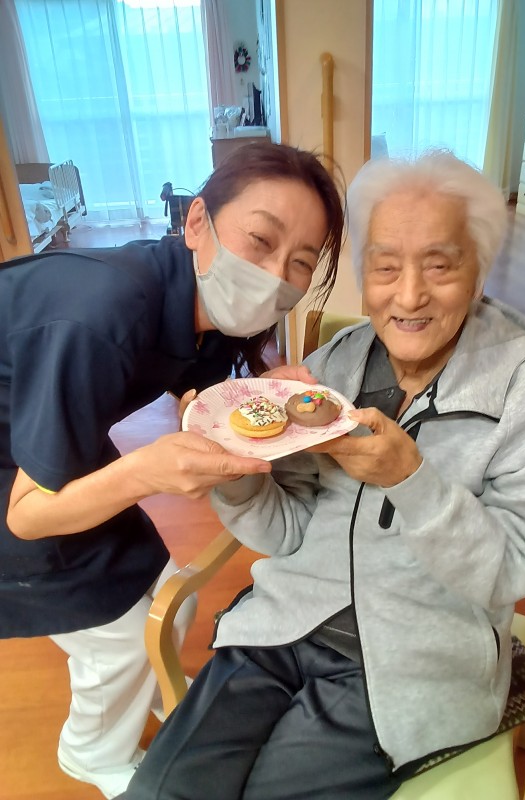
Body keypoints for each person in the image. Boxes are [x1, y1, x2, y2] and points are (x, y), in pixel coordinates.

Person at [118, 149, 525, 800]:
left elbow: (516, 569)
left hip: (414, 659)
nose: (409, 295)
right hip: (283, 626)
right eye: (385, 266)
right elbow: (285, 531)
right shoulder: (334, 367)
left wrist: (412, 482)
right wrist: (236, 467)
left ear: (479, 272)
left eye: (440, 265)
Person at [0, 142, 345, 799]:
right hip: (19, 472)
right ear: (196, 222)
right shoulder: (102, 313)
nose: (275, 276)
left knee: (162, 589)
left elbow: (197, 397)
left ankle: (139, 689)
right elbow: (27, 516)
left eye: (300, 262)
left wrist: (270, 398)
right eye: (260, 241)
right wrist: (147, 472)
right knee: (120, 633)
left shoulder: (207, 312)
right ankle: (90, 751)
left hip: (44, 430)